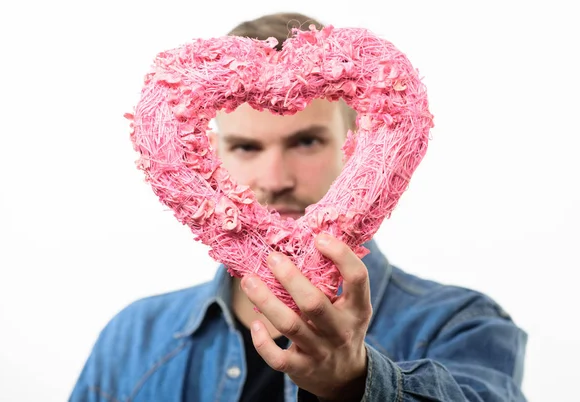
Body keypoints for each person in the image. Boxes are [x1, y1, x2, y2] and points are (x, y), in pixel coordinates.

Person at [70, 12, 527, 402]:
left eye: (306, 141)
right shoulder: (131, 339)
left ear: (356, 140)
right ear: (213, 150)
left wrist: (355, 384)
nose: (277, 180)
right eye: (247, 147)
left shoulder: (460, 323)